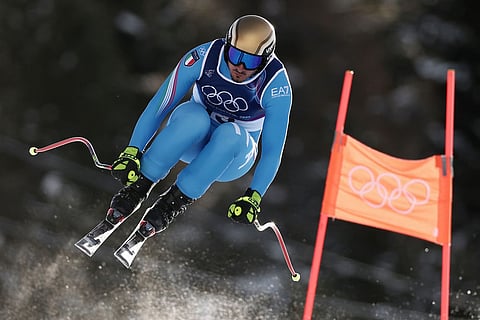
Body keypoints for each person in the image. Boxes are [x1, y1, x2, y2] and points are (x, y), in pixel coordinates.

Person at [107, 14, 293, 239]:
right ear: (226, 47)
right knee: (194, 116)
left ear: (264, 60)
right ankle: (137, 188)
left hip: (232, 157)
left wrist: (254, 196)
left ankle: (170, 206)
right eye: (235, 55)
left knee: (230, 133)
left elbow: (273, 151)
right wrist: (133, 150)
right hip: (192, 140)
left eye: (251, 61)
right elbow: (161, 104)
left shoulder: (276, 85)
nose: (240, 67)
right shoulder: (204, 57)